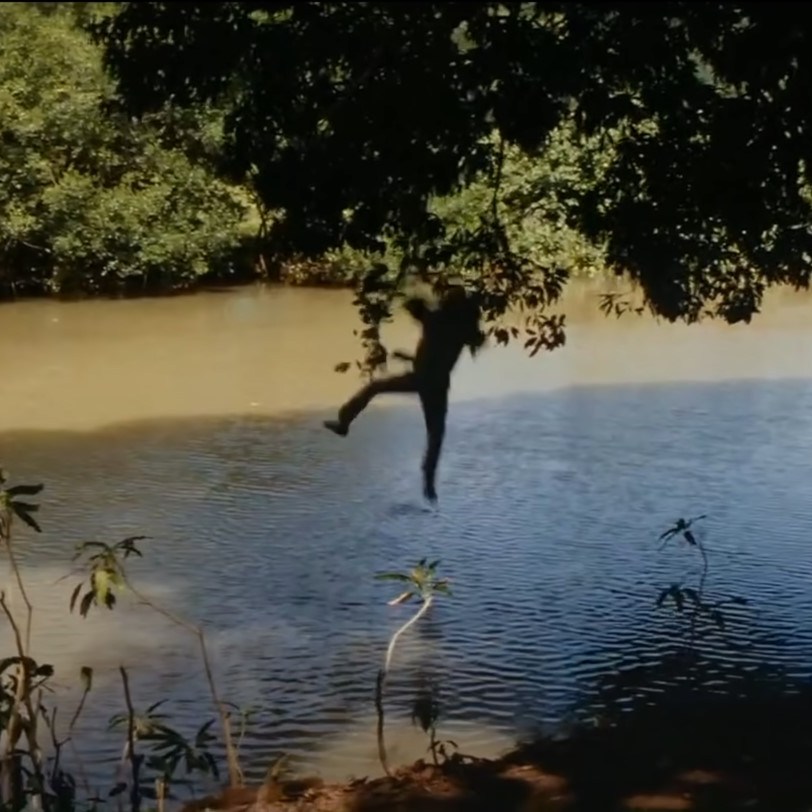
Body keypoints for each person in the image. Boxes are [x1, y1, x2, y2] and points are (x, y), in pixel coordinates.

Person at [324, 287, 487, 502]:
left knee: (374, 388)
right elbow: (466, 344)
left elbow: (414, 306)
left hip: (422, 380)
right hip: (436, 383)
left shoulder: (436, 320)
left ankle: (344, 422)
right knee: (435, 435)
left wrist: (412, 290)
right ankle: (428, 481)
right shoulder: (462, 329)